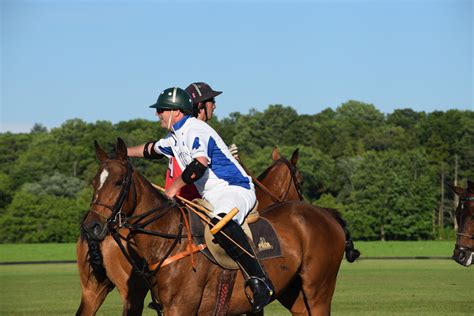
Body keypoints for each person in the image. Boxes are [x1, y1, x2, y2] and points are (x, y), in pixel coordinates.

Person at [127, 87, 274, 313]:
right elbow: (150, 150)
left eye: (162, 110)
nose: (158, 114)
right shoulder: (174, 137)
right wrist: (120, 153)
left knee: (220, 223)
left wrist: (174, 187)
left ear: (176, 112)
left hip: (234, 188)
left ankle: (260, 281)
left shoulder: (196, 128)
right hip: (209, 196)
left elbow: (199, 164)